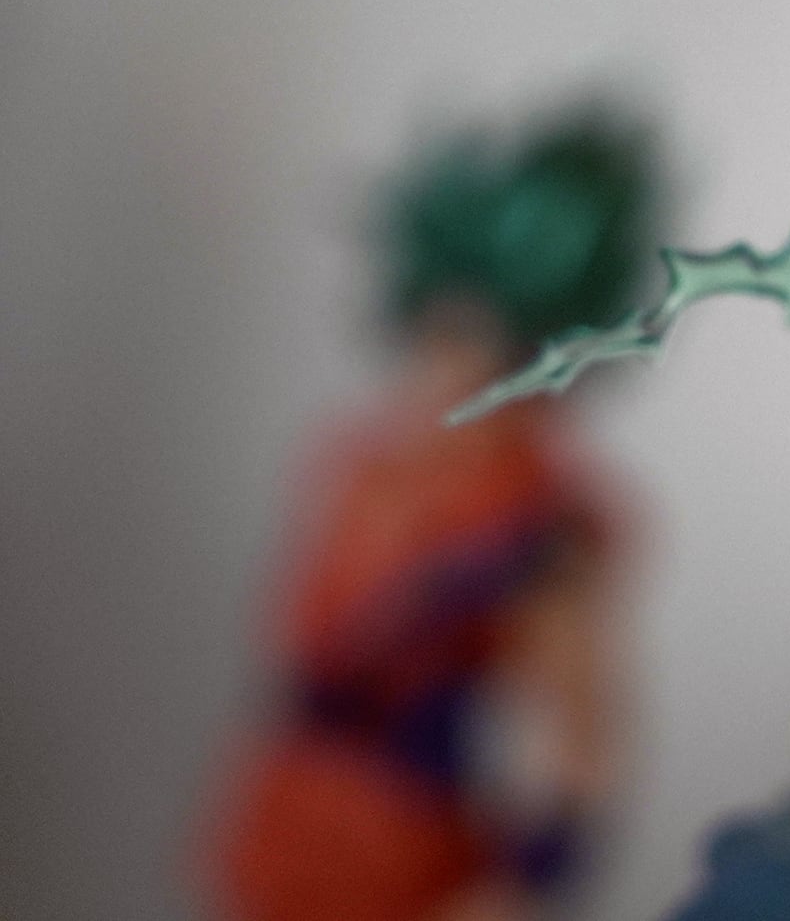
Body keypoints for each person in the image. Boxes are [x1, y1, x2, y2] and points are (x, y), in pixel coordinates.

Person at [204, 110, 656, 921]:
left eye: (497, 349)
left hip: (404, 862)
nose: (457, 369)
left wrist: (519, 884)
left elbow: (581, 750)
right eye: (445, 335)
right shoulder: (361, 466)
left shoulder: (540, 522)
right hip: (283, 820)